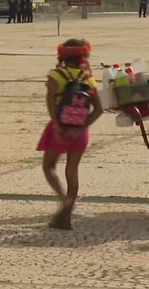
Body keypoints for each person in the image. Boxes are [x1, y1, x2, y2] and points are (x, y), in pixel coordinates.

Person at [37, 39, 102, 231]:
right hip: (80, 132)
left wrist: (57, 125)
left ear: (62, 56)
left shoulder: (55, 75)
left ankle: (63, 200)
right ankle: (66, 215)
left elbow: (50, 102)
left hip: (59, 129)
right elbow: (98, 109)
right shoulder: (88, 79)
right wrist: (81, 128)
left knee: (49, 167)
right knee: (72, 171)